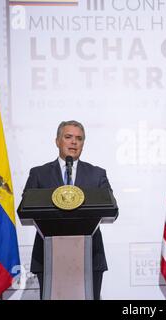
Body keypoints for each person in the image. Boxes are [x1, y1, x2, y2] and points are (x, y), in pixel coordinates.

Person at [24, 120, 113, 299]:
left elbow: (112, 209)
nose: (74, 142)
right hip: (49, 255)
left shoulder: (97, 174)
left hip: (89, 255)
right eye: (68, 137)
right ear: (57, 141)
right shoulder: (39, 174)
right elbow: (26, 209)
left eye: (79, 139)